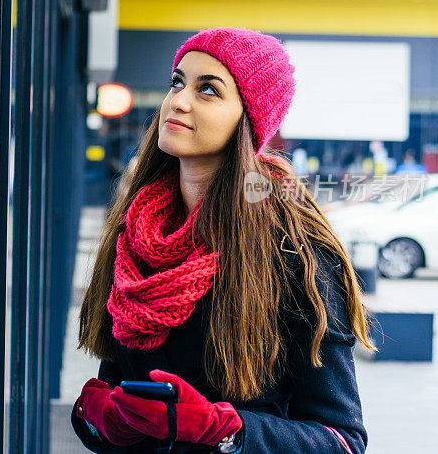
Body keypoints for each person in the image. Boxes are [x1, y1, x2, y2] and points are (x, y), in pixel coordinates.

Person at [72, 27, 374, 453]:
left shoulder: (295, 251)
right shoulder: (136, 236)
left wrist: (227, 431)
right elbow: (119, 392)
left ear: (247, 120)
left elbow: (343, 441)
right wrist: (97, 420)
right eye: (177, 82)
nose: (178, 100)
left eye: (208, 90)